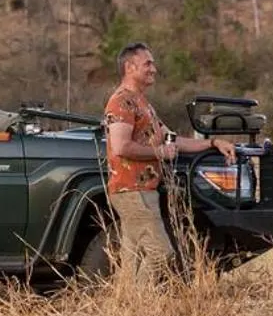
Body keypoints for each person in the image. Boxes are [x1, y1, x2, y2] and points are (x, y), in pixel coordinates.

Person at [102, 43, 238, 283]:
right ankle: (141, 301)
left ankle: (129, 304)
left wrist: (213, 143)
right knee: (161, 255)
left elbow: (173, 139)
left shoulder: (143, 103)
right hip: (131, 191)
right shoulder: (121, 102)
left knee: (132, 260)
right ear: (129, 67)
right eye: (148, 64)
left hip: (144, 191)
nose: (153, 69)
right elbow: (121, 146)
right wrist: (160, 153)